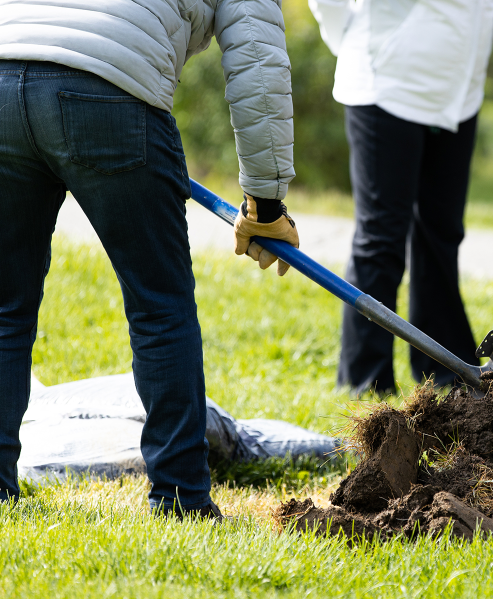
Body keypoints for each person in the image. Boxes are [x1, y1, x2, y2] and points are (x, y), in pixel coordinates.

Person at [0, 0, 299, 518]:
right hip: (112, 93)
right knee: (160, 307)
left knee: (3, 309)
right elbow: (257, 58)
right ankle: (180, 496)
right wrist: (267, 205)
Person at [309, 0, 493, 396]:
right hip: (386, 84)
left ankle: (443, 370)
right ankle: (366, 380)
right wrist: (348, 40)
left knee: (441, 235)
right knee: (382, 237)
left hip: (459, 97)